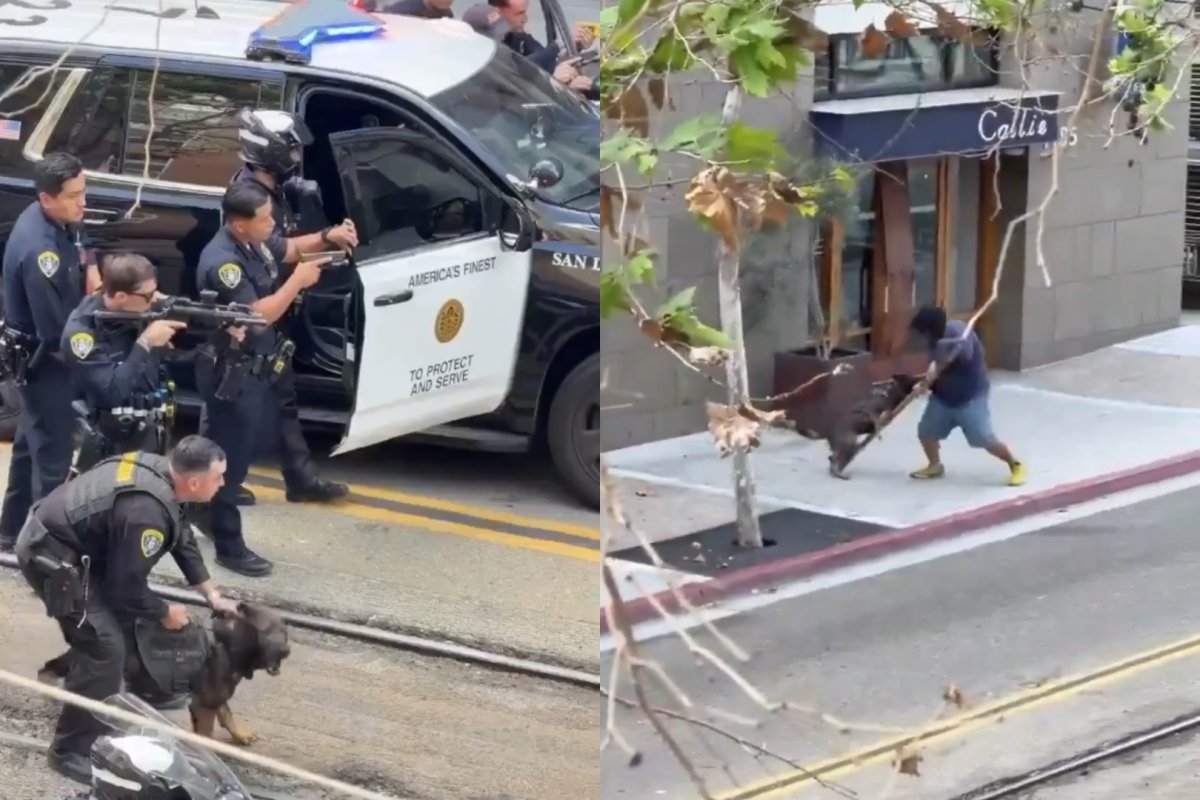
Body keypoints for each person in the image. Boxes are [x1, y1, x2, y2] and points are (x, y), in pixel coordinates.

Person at [14, 435, 239, 784]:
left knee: (111, 635)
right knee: (105, 647)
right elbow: (126, 587)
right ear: (194, 481)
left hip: (75, 546)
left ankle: (92, 692)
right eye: (218, 477)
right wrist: (165, 612)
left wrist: (211, 593)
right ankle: (68, 751)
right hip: (53, 559)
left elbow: (181, 534)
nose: (223, 483)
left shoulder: (159, 472)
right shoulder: (145, 512)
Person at [194, 182, 329, 577]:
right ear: (239, 224)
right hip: (232, 370)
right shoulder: (223, 262)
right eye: (265, 218)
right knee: (229, 464)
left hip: (256, 366)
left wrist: (326, 239)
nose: (273, 224)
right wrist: (297, 282)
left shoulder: (255, 241)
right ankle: (229, 547)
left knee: (227, 450)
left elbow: (287, 248)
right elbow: (257, 317)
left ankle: (203, 512)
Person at [228, 109, 355, 508]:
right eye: (292, 149)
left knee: (280, 396)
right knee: (234, 402)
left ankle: (299, 478)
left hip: (275, 308)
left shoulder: (271, 185)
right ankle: (220, 485)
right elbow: (280, 249)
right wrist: (327, 236)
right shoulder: (249, 199)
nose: (297, 156)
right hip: (255, 312)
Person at [0, 153, 91, 553]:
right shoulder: (42, 252)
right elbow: (57, 332)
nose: (82, 202)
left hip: (34, 360)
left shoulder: (50, 221)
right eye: (74, 196)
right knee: (53, 460)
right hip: (46, 365)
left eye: (83, 192)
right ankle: (46, 554)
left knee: (27, 449)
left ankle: (9, 532)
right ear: (46, 198)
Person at [60, 254, 190, 466]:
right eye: (148, 296)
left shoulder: (135, 309)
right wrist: (145, 343)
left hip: (148, 429)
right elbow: (113, 391)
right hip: (108, 441)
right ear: (121, 296)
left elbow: (187, 318)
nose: (153, 301)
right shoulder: (82, 333)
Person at [908, 305, 1026, 486]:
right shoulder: (933, 340)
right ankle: (935, 465)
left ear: (931, 328)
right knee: (926, 431)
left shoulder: (958, 332)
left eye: (922, 331)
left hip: (970, 397)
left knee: (983, 437)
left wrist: (946, 352)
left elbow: (966, 354)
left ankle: (1015, 464)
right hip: (943, 397)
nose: (920, 337)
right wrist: (925, 383)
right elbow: (935, 365)